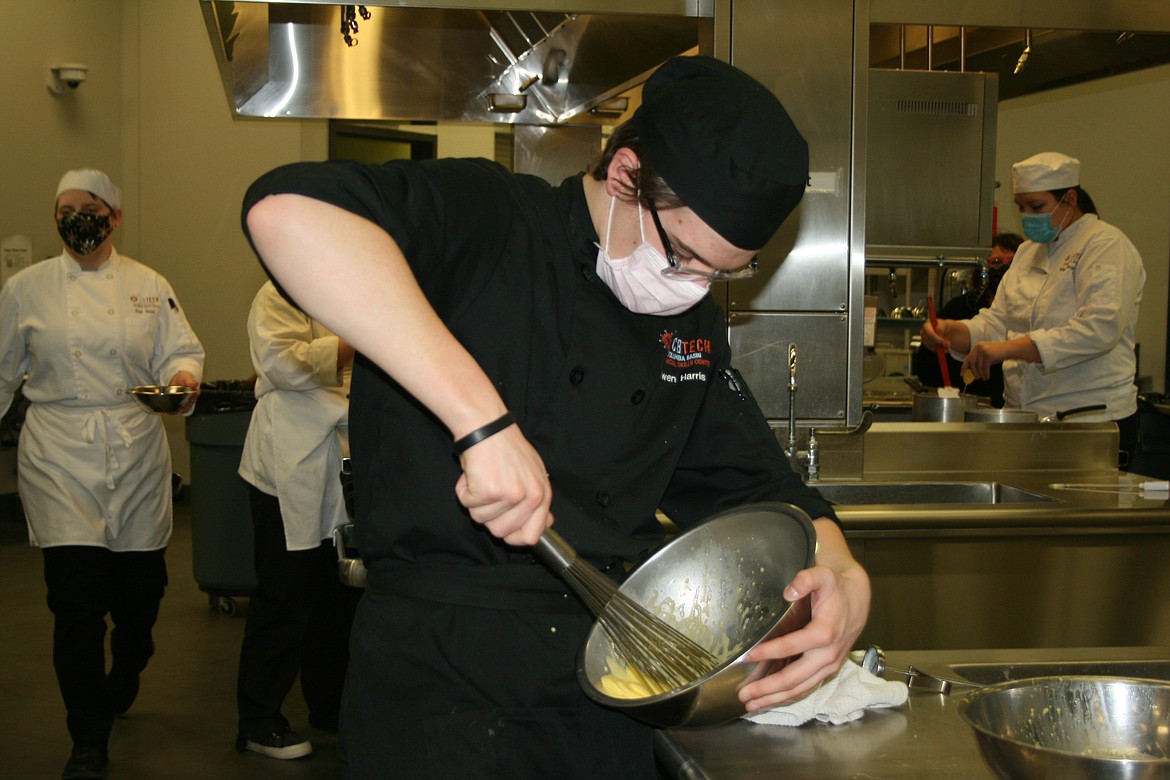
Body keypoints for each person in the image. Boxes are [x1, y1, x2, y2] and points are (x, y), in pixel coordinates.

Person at [241, 56, 871, 778]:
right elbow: (285, 211)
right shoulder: (494, 220)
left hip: (609, 684)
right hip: (445, 688)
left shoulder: (688, 326)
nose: (695, 288)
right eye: (686, 258)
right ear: (628, 173)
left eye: (725, 275)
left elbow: (754, 480)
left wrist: (843, 568)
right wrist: (482, 423)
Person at [0, 169, 204, 779]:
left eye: (88, 208)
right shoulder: (24, 289)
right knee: (75, 601)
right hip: (59, 450)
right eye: (64, 208)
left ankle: (131, 660)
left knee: (140, 596)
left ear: (114, 217)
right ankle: (87, 736)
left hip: (136, 442)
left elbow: (181, 351)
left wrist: (186, 381)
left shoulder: (148, 284)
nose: (75, 218)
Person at [922, 152, 1145, 465]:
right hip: (1026, 419)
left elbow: (1099, 330)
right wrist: (952, 331)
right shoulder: (1028, 253)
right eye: (1021, 207)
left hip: (1088, 421)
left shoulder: (1106, 245)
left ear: (1069, 198)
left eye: (1036, 207)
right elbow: (998, 322)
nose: (1027, 216)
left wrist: (1007, 349)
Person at [235, 280, 359, 759]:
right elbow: (283, 363)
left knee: (337, 595)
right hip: (289, 464)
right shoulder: (275, 294)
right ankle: (258, 720)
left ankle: (329, 707)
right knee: (286, 598)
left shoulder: (354, 289)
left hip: (342, 458)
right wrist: (356, 345)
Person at [912, 233, 1023, 406]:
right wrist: (938, 337)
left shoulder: (1026, 313)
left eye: (1012, 263)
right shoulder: (959, 309)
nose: (1004, 269)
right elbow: (927, 371)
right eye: (996, 262)